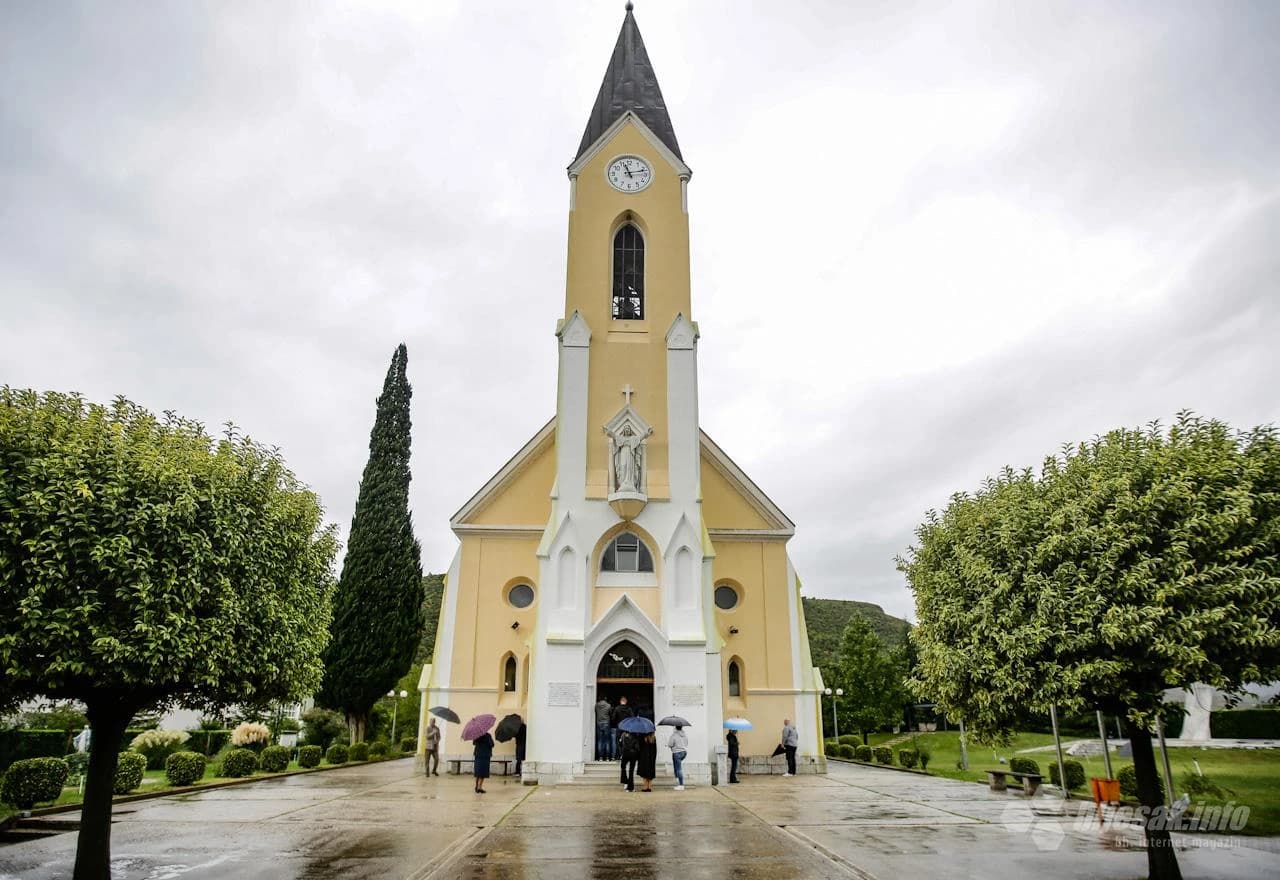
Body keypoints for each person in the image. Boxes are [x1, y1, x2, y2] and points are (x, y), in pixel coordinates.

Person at [610, 696, 633, 766]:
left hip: (619, 727)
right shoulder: (629, 709)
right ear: (626, 702)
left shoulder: (617, 708)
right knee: (627, 742)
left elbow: (613, 718)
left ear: (620, 702)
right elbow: (632, 717)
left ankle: (618, 756)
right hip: (627, 728)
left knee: (618, 742)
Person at [667, 724, 688, 791]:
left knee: (678, 769)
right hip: (684, 753)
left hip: (677, 753)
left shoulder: (674, 735)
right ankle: (677, 781)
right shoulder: (684, 735)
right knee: (676, 767)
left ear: (675, 727)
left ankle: (681, 785)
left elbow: (670, 744)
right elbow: (686, 743)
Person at [594, 696, 612, 761]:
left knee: (600, 740)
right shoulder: (608, 705)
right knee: (607, 740)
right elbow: (610, 714)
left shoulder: (596, 705)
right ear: (605, 698)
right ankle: (607, 757)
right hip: (606, 723)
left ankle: (600, 757)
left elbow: (596, 712)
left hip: (599, 723)